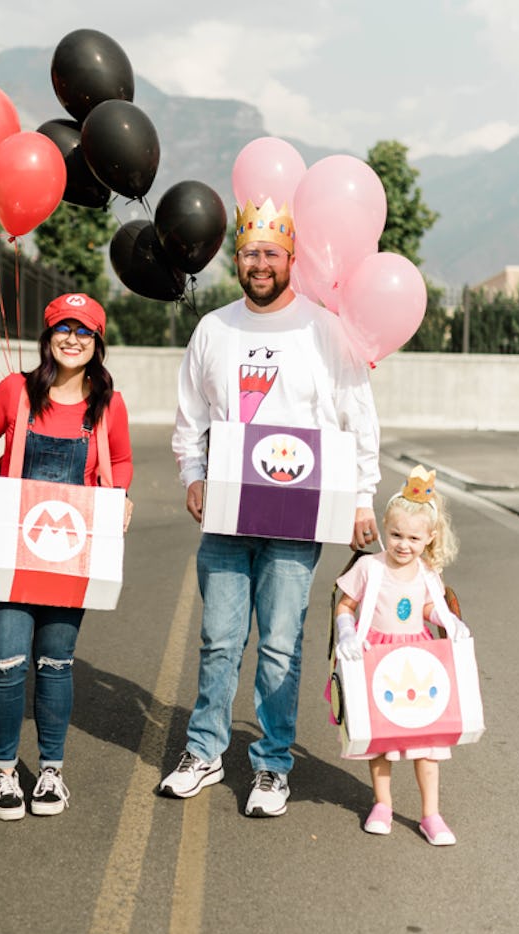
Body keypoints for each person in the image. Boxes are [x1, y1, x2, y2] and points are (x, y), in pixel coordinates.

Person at [161, 197, 381, 817]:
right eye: (250, 253)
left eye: (271, 254)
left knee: (282, 643)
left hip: (298, 514)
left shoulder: (324, 329)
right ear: (239, 258)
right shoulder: (215, 329)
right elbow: (191, 416)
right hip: (229, 509)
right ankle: (204, 752)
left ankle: (273, 765)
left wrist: (362, 496)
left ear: (291, 259)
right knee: (219, 638)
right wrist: (194, 474)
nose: (260, 263)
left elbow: (356, 416)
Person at [0, 293, 133, 821]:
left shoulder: (108, 404)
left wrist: (121, 496)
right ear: (48, 336)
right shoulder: (15, 391)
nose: (73, 339)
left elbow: (121, 459)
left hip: (70, 555)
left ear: (97, 342)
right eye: (64, 328)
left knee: (56, 664)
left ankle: (52, 772)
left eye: (84, 331)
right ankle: (6, 773)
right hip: (13, 550)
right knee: (8, 662)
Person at [333, 465, 469, 845]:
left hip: (417, 660)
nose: (403, 544)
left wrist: (449, 621)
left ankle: (431, 814)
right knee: (383, 739)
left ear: (429, 538)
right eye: (395, 535)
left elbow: (429, 608)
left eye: (412, 538)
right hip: (377, 655)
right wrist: (346, 630)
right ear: (385, 529)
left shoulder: (427, 573)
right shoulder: (368, 567)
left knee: (427, 743)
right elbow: (345, 605)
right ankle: (382, 804)